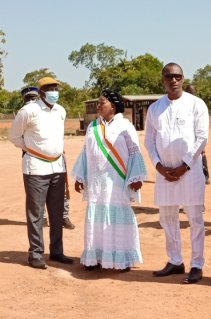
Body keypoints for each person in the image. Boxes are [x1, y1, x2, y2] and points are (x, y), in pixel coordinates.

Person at [144, 62, 209, 284]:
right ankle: (175, 260)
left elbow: (202, 138)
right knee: (167, 218)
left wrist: (184, 166)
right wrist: (159, 166)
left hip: (189, 172)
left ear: (183, 78)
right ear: (162, 79)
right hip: (164, 174)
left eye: (178, 76)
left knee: (195, 219)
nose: (174, 80)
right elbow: (149, 141)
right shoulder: (155, 108)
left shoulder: (196, 104)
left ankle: (197, 264)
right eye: (169, 77)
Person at [72, 88, 146, 272]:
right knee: (96, 216)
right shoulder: (93, 127)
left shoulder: (125, 126)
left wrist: (136, 177)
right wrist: (81, 176)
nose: (98, 105)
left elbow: (134, 152)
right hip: (97, 182)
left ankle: (122, 259)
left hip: (117, 181)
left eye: (101, 102)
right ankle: (95, 257)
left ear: (112, 106)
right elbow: (85, 152)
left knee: (118, 217)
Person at [9, 77, 73, 269]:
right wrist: (30, 149)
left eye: (57, 88)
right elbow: (13, 136)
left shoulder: (60, 111)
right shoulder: (28, 111)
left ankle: (57, 251)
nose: (55, 91)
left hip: (57, 168)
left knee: (56, 212)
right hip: (35, 168)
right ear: (42, 92)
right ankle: (36, 254)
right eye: (51, 88)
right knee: (36, 213)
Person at [19, 87, 75, 229]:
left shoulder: (55, 111)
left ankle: (63, 216)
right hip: (34, 158)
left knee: (61, 189)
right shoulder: (27, 112)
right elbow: (17, 136)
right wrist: (32, 149)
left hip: (56, 156)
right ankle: (42, 218)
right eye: (28, 98)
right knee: (38, 193)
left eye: (33, 97)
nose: (31, 100)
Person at [184, 84, 211, 185]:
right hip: (188, 137)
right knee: (195, 156)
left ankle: (206, 176)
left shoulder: (199, 104)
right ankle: (204, 176)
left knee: (201, 155)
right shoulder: (183, 104)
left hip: (198, 136)